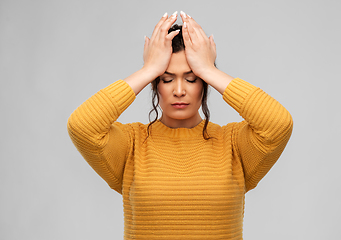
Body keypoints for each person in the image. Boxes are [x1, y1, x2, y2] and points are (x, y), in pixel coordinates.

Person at [67, 11, 293, 240]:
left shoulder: (233, 144)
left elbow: (278, 124)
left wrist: (209, 70)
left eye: (192, 78)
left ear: (204, 85)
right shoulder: (132, 144)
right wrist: (148, 69)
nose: (179, 90)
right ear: (155, 85)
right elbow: (82, 126)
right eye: (166, 79)